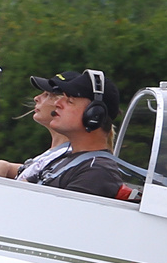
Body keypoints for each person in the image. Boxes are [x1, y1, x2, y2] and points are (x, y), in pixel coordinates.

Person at [25, 69, 132, 199]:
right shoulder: (64, 160)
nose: (57, 103)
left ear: (94, 115)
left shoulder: (97, 172)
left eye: (69, 101)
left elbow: (55, 216)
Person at [0, 87, 67, 181]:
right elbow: (38, 170)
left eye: (48, 95)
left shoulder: (68, 155)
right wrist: (6, 166)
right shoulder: (57, 153)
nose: (36, 98)